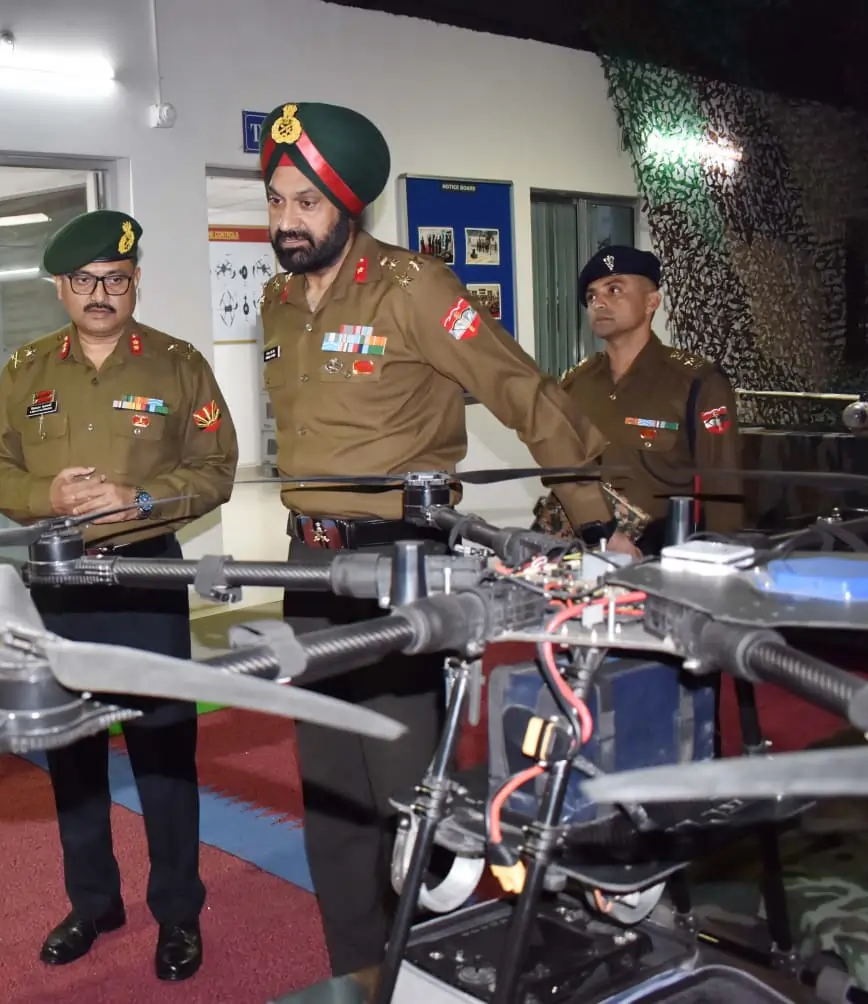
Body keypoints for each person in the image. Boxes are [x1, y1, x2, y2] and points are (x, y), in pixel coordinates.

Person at [255, 101, 635, 986]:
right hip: (307, 565)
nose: (286, 222)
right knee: (329, 784)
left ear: (348, 205)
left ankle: (431, 969)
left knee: (404, 787)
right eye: (276, 201)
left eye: (306, 203)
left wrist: (594, 519)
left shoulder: (413, 287)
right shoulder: (279, 301)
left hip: (401, 559)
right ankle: (360, 973)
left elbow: (521, 390)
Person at [0, 209, 239, 982]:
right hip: (59, 583)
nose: (100, 293)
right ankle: (93, 903)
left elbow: (216, 468)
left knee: (164, 751)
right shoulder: (26, 369)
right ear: (61, 288)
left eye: (115, 280)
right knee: (72, 752)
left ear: (135, 283)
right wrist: (46, 495)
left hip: (144, 578)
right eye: (85, 280)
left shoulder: (177, 365)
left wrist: (143, 499)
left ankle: (179, 911)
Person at [533, 246, 745, 553]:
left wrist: (721, 562)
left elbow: (722, 486)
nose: (599, 302)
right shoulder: (575, 384)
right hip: (582, 549)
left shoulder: (696, 383)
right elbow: (559, 469)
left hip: (661, 554)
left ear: (651, 302)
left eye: (614, 289)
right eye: (591, 296)